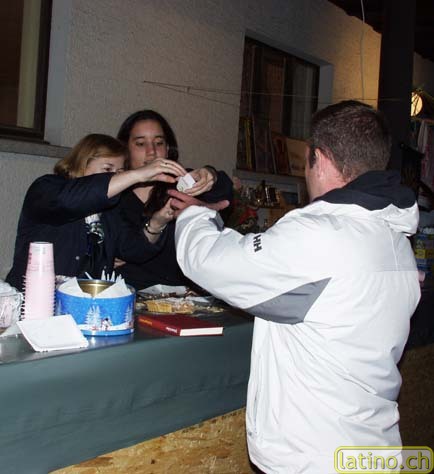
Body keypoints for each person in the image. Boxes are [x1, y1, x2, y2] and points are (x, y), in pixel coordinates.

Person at [173, 101, 421, 473]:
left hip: (317, 455)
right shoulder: (395, 239)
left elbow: (210, 262)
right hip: (371, 446)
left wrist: (193, 213)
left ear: (319, 159)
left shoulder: (320, 233)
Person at [6, 133, 186, 291]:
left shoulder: (110, 210)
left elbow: (133, 249)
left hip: (86, 307)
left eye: (120, 171)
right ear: (82, 164)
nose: (116, 177)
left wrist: (157, 223)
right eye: (108, 169)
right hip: (33, 302)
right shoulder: (47, 188)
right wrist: (137, 174)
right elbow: (70, 201)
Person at [114, 109, 232, 290]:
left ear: (168, 149)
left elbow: (224, 192)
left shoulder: (181, 183)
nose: (152, 152)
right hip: (128, 293)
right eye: (140, 144)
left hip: (182, 295)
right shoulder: (115, 192)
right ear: (125, 149)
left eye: (159, 143)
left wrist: (210, 175)